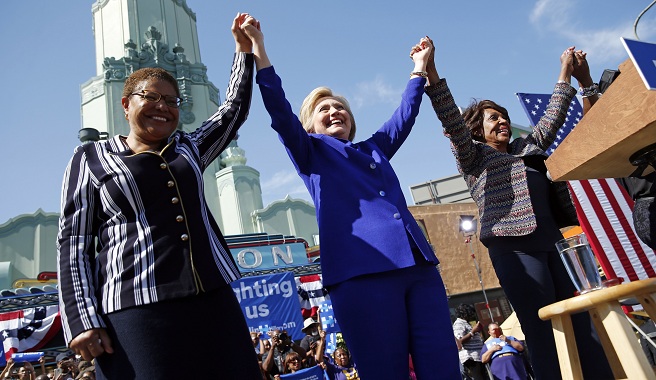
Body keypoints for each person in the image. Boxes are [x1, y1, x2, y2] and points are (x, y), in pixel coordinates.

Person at [240, 15, 460, 380]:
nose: (334, 111)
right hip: (361, 275)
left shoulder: (374, 150)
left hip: (419, 269)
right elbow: (279, 110)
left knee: (441, 366)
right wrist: (259, 51)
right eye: (323, 109)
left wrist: (419, 69)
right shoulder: (310, 153)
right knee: (385, 371)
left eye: (339, 106)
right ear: (309, 125)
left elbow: (404, 115)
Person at [56, 13, 262, 380]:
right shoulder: (90, 158)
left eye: (171, 100)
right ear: (125, 103)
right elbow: (74, 243)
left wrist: (243, 52)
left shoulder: (189, 148)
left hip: (212, 299)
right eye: (150, 97)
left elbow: (233, 110)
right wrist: (81, 319)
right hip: (136, 311)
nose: (163, 107)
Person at [424, 41, 614, 379]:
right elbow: (452, 122)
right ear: (478, 129)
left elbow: (554, 113)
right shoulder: (474, 157)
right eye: (493, 118)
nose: (502, 121)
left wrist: (565, 74)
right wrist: (434, 75)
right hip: (514, 248)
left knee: (580, 318)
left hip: (553, 242)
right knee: (543, 325)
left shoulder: (527, 148)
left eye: (505, 117)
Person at [452, 304, 486, 380]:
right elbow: (459, 341)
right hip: (471, 357)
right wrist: (473, 331)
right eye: (470, 313)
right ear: (465, 313)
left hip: (477, 356)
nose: (472, 315)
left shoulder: (466, 323)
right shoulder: (459, 323)